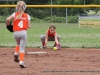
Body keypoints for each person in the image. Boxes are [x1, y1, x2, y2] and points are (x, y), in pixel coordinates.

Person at [6, 1, 31, 68]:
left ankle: (16, 53)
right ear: (24, 7)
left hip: (16, 33)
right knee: (22, 49)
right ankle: (21, 62)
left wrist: (8, 24)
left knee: (18, 44)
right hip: (23, 32)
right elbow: (29, 26)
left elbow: (7, 19)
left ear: (17, 7)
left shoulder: (14, 14)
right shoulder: (27, 15)